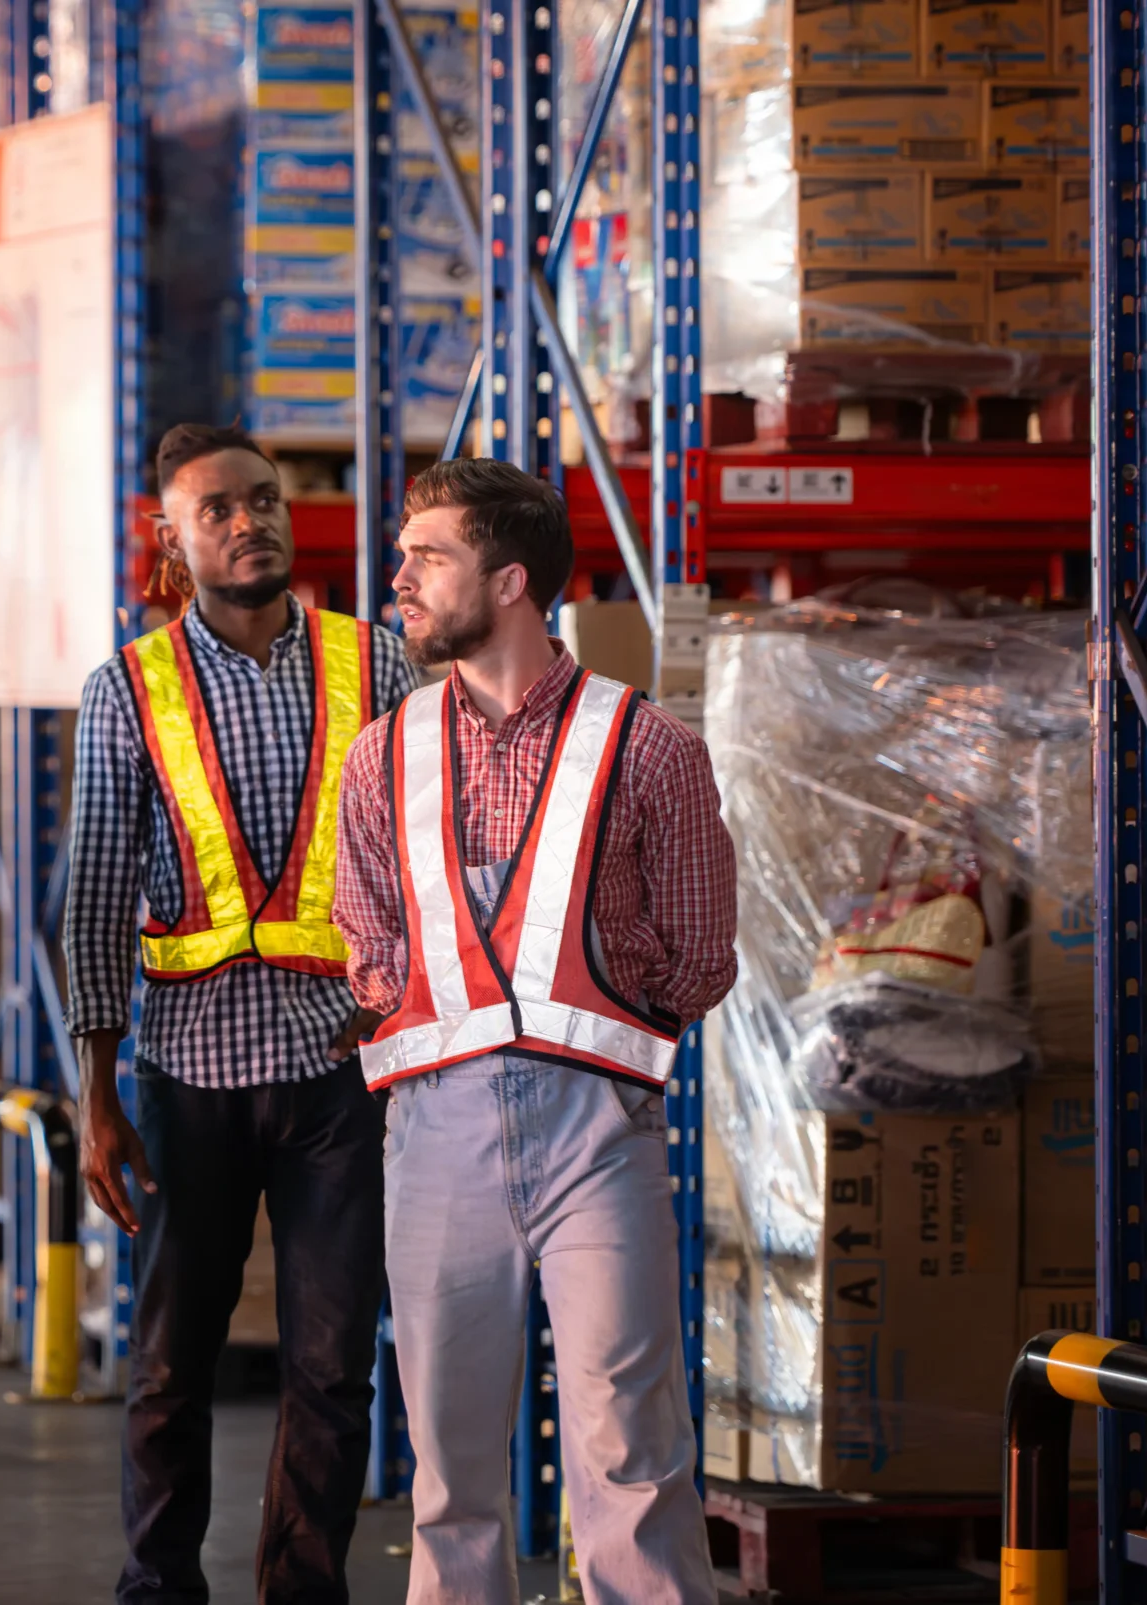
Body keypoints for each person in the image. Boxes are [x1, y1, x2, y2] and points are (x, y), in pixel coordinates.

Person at [333, 458, 736, 1604]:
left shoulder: (648, 745)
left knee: (631, 1456)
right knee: (449, 1474)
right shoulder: (382, 756)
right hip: (435, 1136)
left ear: (510, 582)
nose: (398, 578)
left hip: (596, 1136)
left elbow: (702, 957)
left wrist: (586, 993)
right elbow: (363, 939)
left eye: (428, 557)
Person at [63, 422, 414, 1604]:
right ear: (171, 540)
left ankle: (302, 1592)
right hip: (184, 1077)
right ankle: (158, 1590)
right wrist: (94, 1094)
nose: (246, 520)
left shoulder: (380, 665)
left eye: (261, 500)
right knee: (168, 1368)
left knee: (330, 1368)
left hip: (339, 1073)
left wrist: (400, 1015)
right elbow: (100, 887)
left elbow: (426, 854)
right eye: (213, 509)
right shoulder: (129, 688)